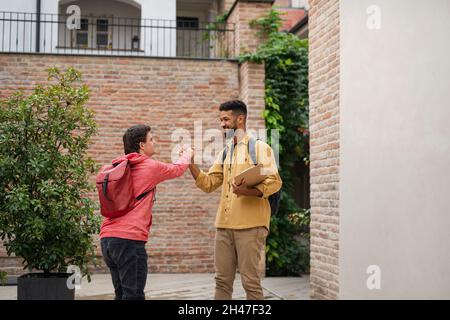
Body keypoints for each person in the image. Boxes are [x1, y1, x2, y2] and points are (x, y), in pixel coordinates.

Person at [188, 100, 282, 300]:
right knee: (221, 282)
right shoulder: (226, 152)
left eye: (225, 119)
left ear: (240, 119)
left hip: (251, 226)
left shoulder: (260, 148)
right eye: (220, 120)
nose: (222, 124)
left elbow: (274, 182)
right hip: (223, 227)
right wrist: (191, 164)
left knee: (250, 282)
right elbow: (209, 183)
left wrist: (248, 191)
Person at [100, 124, 191, 300]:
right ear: (142, 145)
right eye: (152, 139)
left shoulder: (117, 166)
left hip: (108, 239)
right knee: (134, 295)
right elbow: (177, 169)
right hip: (129, 241)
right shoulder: (149, 166)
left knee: (121, 294)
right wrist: (187, 154)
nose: (155, 142)